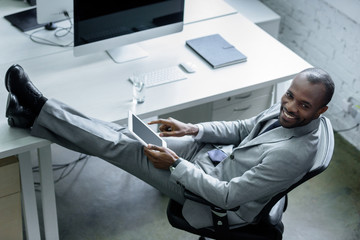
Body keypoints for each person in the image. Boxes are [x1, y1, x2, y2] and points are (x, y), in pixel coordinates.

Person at [4, 64, 334, 229]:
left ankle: (38, 107)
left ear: (321, 111)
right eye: (290, 95)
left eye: (304, 105)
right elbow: (242, 127)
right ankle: (33, 117)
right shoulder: (288, 111)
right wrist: (193, 128)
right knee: (131, 132)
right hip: (211, 161)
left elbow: (227, 196)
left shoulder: (292, 154)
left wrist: (174, 164)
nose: (290, 107)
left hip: (212, 199)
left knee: (123, 147)